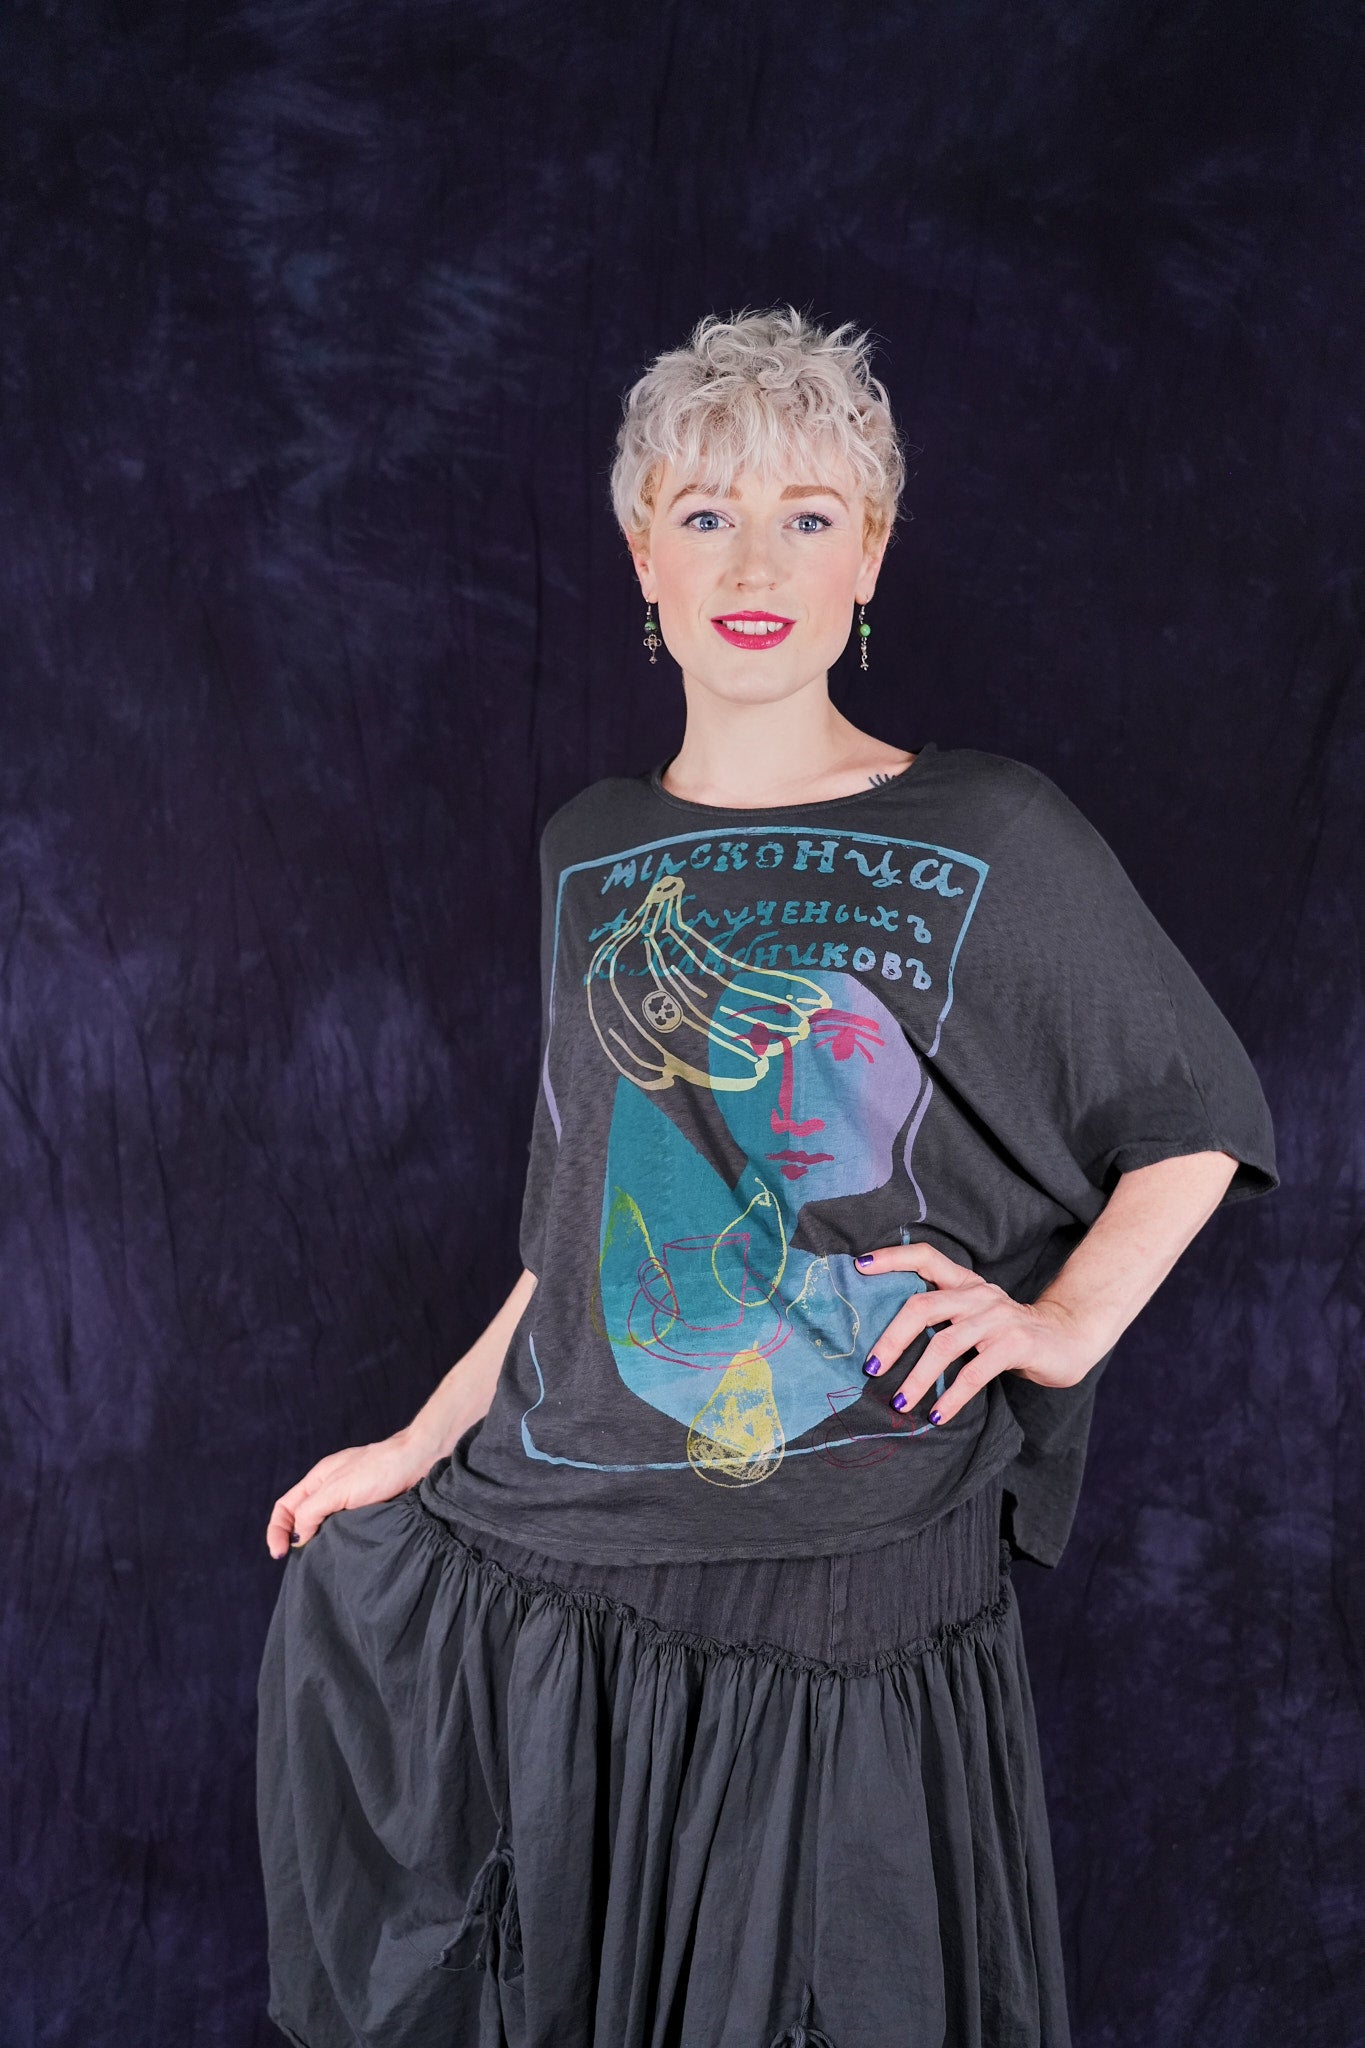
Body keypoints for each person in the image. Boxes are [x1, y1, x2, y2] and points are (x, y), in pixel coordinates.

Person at [255, 306, 1278, 2048]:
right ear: (641, 556)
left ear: (866, 557)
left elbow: (1189, 1113)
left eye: (807, 515)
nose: (753, 561)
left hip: (846, 1567)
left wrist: (1060, 1324)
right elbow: (574, 1218)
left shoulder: (991, 825)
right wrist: (418, 1443)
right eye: (705, 512)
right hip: (575, 1549)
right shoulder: (592, 846)